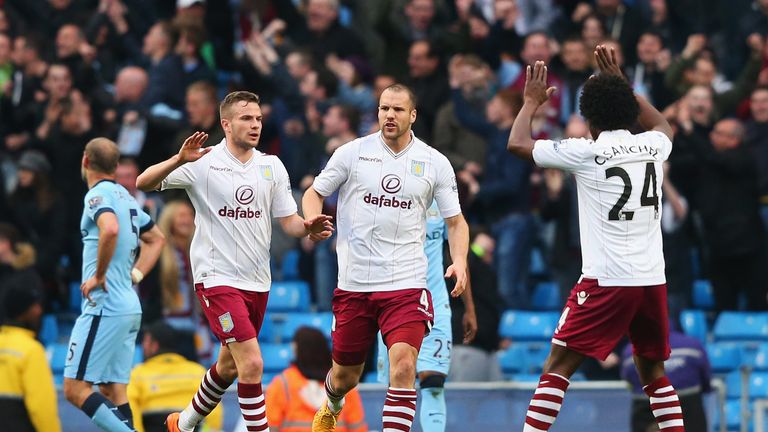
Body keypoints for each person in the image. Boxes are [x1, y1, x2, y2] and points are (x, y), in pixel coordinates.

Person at [507, 47, 684, 432]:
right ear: (629, 110)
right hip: (652, 279)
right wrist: (624, 85)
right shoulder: (654, 146)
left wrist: (531, 103)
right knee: (652, 368)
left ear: (588, 118)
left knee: (557, 366)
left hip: (607, 280)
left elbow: (517, 144)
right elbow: (664, 126)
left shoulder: (587, 152)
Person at [135, 90, 333, 432]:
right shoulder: (203, 162)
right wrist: (179, 160)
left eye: (257, 118)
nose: (255, 124)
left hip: (257, 281)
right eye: (246, 118)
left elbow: (288, 221)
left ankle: (182, 425)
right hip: (217, 279)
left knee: (228, 366)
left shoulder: (271, 166)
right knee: (252, 363)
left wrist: (308, 228)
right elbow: (143, 182)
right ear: (226, 124)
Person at [302, 83, 470, 432]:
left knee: (405, 365)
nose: (389, 115)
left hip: (406, 284)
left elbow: (456, 222)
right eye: (383, 109)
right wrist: (310, 221)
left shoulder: (434, 163)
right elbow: (314, 192)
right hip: (355, 283)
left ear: (413, 115)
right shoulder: (352, 153)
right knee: (346, 375)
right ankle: (333, 403)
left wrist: (460, 261)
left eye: (397, 109)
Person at [63, 137, 166, 432]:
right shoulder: (126, 198)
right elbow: (157, 238)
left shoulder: (97, 196)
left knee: (74, 388)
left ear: (85, 161)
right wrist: (136, 275)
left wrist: (98, 275)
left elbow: (109, 228)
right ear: (116, 166)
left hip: (105, 304)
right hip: (129, 304)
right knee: (112, 390)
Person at [376, 200, 477, 432]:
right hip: (394, 304)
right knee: (399, 380)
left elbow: (458, 255)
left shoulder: (441, 195)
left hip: (434, 303)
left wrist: (469, 308)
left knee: (433, 382)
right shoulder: (386, 193)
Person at [264, 327, 367, 432]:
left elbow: (269, 427)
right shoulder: (344, 383)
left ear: (297, 351)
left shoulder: (282, 385)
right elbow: (358, 428)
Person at [128, 321, 223, 432]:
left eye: (145, 341)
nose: (143, 345)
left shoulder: (137, 374)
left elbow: (132, 412)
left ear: (154, 346)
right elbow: (214, 412)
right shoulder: (197, 371)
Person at [620, 327, 711, 432]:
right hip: (689, 407)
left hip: (645, 407)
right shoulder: (693, 344)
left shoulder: (629, 351)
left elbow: (627, 378)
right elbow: (706, 378)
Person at [0, 284, 61, 432]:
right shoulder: (31, 350)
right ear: (23, 311)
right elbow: (41, 407)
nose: (39, 311)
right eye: (35, 306)